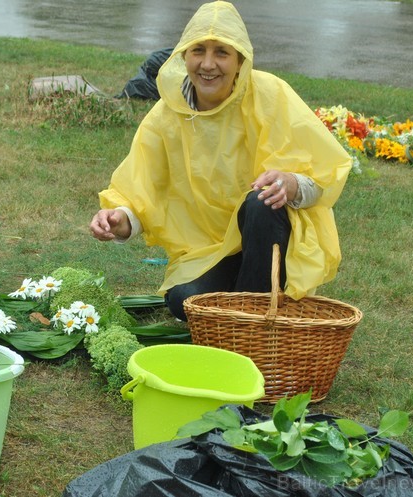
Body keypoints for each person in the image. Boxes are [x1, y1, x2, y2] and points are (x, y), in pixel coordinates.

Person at [89, 1, 352, 321]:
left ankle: (250, 317)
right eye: (198, 50)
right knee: (182, 300)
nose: (208, 64)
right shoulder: (166, 116)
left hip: (269, 242)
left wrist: (291, 183)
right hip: (209, 253)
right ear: (184, 55)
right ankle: (244, 309)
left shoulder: (270, 95)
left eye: (222, 53)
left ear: (240, 60)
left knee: (260, 202)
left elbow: (323, 177)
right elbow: (143, 190)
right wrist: (121, 218)